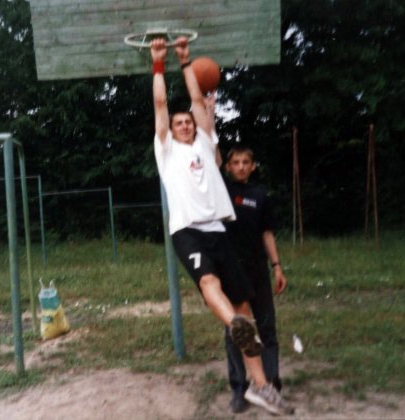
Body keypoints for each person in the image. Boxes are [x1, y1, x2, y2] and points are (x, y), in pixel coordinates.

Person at [150, 37, 294, 416]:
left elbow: (198, 102)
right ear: (170, 130)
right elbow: (161, 104)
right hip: (188, 230)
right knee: (210, 284)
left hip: (217, 229)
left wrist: (186, 61)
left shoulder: (204, 142)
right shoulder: (167, 151)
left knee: (243, 303)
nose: (184, 125)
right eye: (179, 123)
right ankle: (234, 324)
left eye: (188, 122)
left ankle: (261, 386)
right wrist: (159, 63)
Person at [223, 145, 288, 413]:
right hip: (231, 271)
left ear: (253, 166)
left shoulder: (260, 195)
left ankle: (270, 383)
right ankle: (239, 387)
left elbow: (267, 234)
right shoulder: (221, 191)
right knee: (236, 330)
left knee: (266, 327)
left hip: (258, 271)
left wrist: (277, 266)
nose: (240, 167)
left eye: (245, 162)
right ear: (228, 166)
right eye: (235, 162)